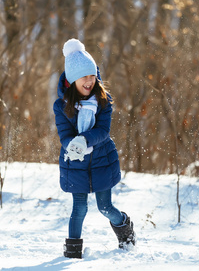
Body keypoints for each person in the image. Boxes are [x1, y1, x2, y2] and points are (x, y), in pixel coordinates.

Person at [53, 38, 136, 259]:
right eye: (83, 77)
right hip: (75, 163)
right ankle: (72, 253)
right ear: (72, 81)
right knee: (79, 208)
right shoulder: (61, 106)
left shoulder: (103, 101)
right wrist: (73, 145)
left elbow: (102, 131)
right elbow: (64, 135)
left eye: (92, 75)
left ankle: (126, 229)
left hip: (101, 160)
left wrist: (84, 140)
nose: (89, 81)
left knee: (105, 207)